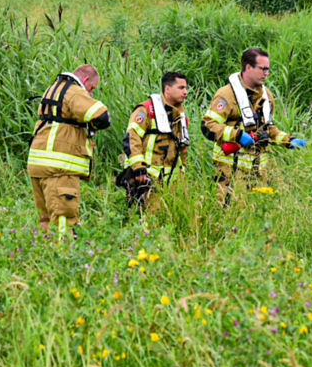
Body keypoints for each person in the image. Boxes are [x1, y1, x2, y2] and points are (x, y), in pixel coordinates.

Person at [202, 48, 306, 204]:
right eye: (263, 69)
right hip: (231, 169)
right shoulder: (226, 94)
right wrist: (236, 135)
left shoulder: (267, 96)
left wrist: (288, 140)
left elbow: (268, 128)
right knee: (230, 215)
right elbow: (208, 126)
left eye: (268, 69)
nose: (266, 73)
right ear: (248, 68)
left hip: (258, 171)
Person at [27, 65, 111, 238]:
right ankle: (63, 259)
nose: (91, 93)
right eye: (92, 89)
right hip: (60, 169)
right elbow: (102, 116)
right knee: (63, 221)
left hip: (39, 165)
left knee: (45, 221)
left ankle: (44, 258)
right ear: (85, 81)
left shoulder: (52, 90)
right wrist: (92, 125)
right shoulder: (74, 91)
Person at [118, 71, 191, 212]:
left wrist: (183, 173)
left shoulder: (181, 116)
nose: (185, 92)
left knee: (174, 220)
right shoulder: (146, 110)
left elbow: (182, 149)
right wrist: (138, 168)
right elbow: (131, 139)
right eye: (181, 88)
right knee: (150, 221)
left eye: (186, 88)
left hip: (174, 183)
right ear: (168, 89)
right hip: (148, 179)